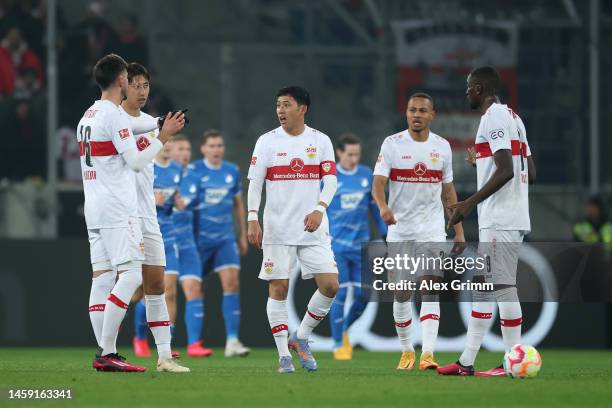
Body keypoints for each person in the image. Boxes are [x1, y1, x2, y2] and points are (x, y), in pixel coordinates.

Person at [80, 54, 186, 372]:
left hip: (95, 207)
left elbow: (138, 123)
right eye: (131, 79)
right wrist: (164, 136)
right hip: (118, 208)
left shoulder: (88, 115)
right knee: (128, 276)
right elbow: (137, 161)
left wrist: (159, 124)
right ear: (121, 81)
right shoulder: (113, 116)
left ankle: (131, 354)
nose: (135, 85)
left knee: (106, 281)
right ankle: (107, 351)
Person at [438, 65, 535, 376]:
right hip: (513, 214)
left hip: (501, 217)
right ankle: (466, 361)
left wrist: (469, 203)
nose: (467, 92)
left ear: (479, 88)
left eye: (469, 87)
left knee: (503, 285)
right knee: (482, 285)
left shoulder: (493, 116)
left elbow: (506, 169)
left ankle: (511, 362)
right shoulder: (515, 118)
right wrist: (482, 160)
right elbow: (529, 172)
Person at [247, 86, 339, 373]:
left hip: (313, 226)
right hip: (277, 228)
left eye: (286, 105)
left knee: (330, 285)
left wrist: (319, 208)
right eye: (278, 105)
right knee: (279, 287)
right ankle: (283, 356)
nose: (280, 110)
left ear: (303, 109)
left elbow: (331, 181)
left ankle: (301, 337)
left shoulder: (321, 140)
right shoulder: (266, 142)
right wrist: (252, 217)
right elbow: (255, 183)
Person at [372, 93, 465, 371]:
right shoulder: (392, 144)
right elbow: (377, 184)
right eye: (412, 109)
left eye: (422, 110)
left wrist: (458, 230)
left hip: (432, 229)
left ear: (432, 115)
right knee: (401, 293)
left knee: (430, 288)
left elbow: (448, 194)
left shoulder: (442, 147)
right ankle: (406, 351)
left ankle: (428, 354)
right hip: (400, 231)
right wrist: (383, 207)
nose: (416, 115)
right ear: (406, 112)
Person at [184, 129, 250, 357]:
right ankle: (194, 343)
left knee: (232, 284)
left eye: (219, 145)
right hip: (198, 241)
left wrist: (242, 234)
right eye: (211, 146)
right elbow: (186, 205)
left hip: (225, 239)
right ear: (203, 149)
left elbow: (237, 204)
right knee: (195, 289)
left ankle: (232, 341)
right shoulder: (194, 171)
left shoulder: (231, 171)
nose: (216, 150)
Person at [327, 133, 387, 360]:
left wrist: (385, 235)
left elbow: (375, 209)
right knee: (340, 294)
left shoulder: (365, 175)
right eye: (349, 154)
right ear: (339, 153)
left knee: (364, 296)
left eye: (357, 154)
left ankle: (343, 331)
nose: (354, 158)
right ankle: (336, 345)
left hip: (361, 247)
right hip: (337, 246)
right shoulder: (329, 177)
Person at [170, 135, 213, 357]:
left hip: (187, 244)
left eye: (188, 149)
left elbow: (196, 214)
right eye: (180, 149)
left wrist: (198, 240)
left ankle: (194, 344)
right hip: (165, 242)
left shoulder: (195, 179)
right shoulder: (159, 174)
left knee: (194, 290)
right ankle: (143, 339)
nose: (186, 153)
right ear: (170, 150)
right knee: (160, 293)